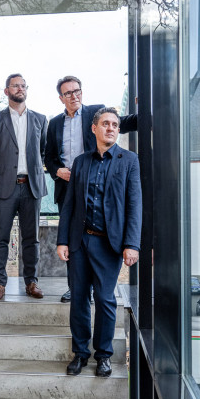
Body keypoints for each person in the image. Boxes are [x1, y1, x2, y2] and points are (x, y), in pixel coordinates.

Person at [56, 107, 142, 377]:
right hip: (80, 242)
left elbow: (134, 205)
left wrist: (132, 244)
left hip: (109, 246)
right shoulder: (81, 162)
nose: (111, 128)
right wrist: (62, 240)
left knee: (105, 299)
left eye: (115, 125)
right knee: (79, 299)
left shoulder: (129, 160)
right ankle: (80, 353)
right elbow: (69, 205)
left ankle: (103, 354)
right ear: (94, 128)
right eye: (105, 124)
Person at [45, 76, 137, 303]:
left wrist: (148, 114)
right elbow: (48, 157)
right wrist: (58, 171)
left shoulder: (95, 113)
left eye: (77, 91)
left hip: (96, 180)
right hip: (68, 185)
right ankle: (74, 287)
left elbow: (120, 123)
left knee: (97, 233)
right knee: (72, 239)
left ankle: (99, 286)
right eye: (68, 93)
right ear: (61, 98)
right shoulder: (55, 123)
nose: (74, 96)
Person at [0, 74, 48, 301]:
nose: (20, 88)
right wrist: (3, 176)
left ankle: (31, 282)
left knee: (31, 238)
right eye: (15, 85)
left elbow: (42, 152)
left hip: (31, 188)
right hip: (4, 189)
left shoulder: (40, 119)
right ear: (6, 91)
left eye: (23, 85)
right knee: (0, 237)